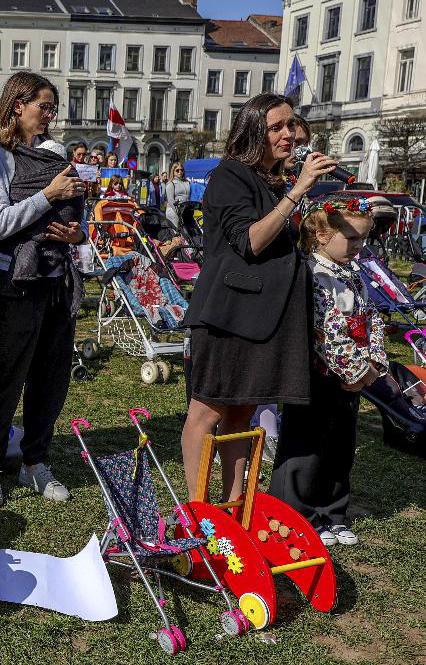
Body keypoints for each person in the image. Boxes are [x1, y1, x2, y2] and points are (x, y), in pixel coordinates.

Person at [180, 93, 338, 500]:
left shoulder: (273, 180)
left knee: (240, 412)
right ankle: (199, 513)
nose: (289, 134)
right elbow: (250, 241)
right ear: (255, 132)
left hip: (264, 318)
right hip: (229, 315)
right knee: (207, 412)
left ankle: (233, 510)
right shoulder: (230, 174)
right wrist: (298, 191)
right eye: (276, 127)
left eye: (290, 125)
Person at [0, 72, 88, 507]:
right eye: (44, 105)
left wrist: (75, 234)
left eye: (52, 106)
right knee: (4, 376)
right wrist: (49, 193)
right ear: (17, 105)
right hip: (13, 284)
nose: (50, 113)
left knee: (50, 377)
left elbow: (77, 215)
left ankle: (34, 462)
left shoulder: (52, 155)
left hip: (56, 278)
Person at [271, 195, 388, 547]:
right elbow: (327, 329)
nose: (358, 246)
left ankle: (333, 511)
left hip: (351, 376)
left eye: (362, 238)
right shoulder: (314, 274)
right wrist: (354, 371)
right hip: (319, 375)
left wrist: (373, 363)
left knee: (341, 444)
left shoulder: (354, 273)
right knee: (308, 446)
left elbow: (372, 317)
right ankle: (298, 513)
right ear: (322, 234)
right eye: (351, 238)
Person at [164, 161, 191, 226]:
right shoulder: (171, 183)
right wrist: (178, 212)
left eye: (181, 170)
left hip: (185, 211)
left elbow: (188, 196)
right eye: (177, 170)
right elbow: (170, 201)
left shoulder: (186, 182)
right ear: (173, 171)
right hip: (174, 212)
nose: (180, 172)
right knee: (176, 233)